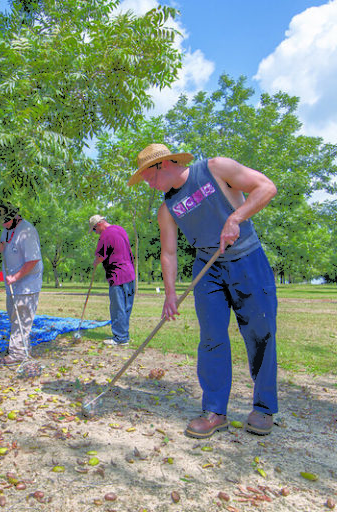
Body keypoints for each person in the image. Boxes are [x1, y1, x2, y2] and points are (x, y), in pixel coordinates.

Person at [128, 143, 278, 439]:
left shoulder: (215, 168)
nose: (148, 183)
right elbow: (168, 254)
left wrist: (236, 218)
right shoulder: (167, 208)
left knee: (260, 334)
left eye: (147, 176)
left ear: (162, 165)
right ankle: (214, 411)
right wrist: (170, 295)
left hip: (248, 258)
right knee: (211, 339)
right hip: (208, 270)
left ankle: (263, 408)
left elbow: (266, 188)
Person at [0, 202, 44, 366]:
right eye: (1, 221)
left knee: (21, 318)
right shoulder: (6, 229)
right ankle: (24, 347)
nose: (3, 224)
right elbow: (3, 245)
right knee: (15, 317)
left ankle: (17, 354)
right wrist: (0, 248)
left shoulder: (27, 231)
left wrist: (15, 277)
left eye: (5, 221)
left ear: (15, 217)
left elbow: (33, 260)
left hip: (27, 283)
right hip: (13, 285)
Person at [89, 215, 136, 346]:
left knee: (117, 307)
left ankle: (120, 338)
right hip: (130, 273)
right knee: (126, 307)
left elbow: (100, 256)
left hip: (117, 275)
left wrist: (95, 263)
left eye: (94, 229)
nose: (95, 232)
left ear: (99, 224)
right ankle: (124, 336)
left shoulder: (105, 235)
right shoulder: (120, 229)